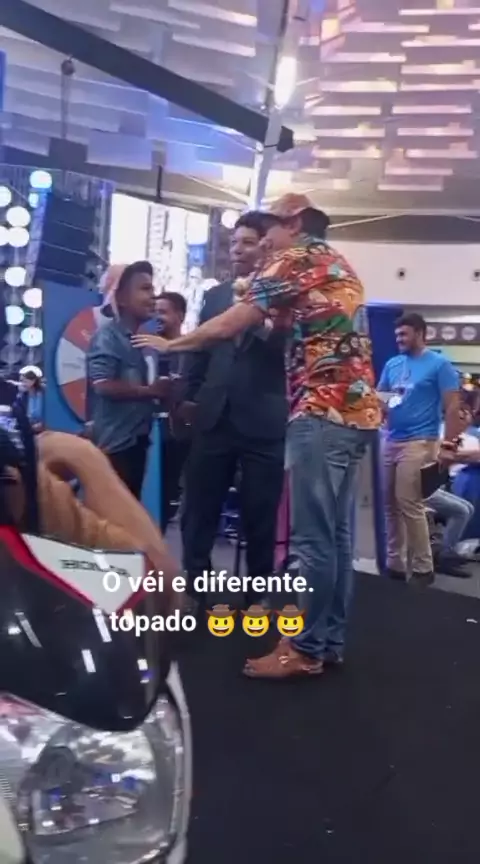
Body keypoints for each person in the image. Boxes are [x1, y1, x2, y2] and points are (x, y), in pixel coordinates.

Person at [133, 194, 381, 680]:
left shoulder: (296, 258)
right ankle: (325, 641)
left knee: (312, 540)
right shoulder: (336, 262)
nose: (262, 242)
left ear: (293, 223)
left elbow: (232, 323)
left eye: (268, 231)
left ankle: (304, 648)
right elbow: (294, 327)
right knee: (334, 538)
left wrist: (173, 342)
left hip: (320, 410)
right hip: (354, 413)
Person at [177, 212, 287, 608]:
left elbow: (285, 350)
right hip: (214, 414)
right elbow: (201, 349)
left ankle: (258, 593)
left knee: (260, 513)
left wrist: (251, 313)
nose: (237, 250)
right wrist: (188, 396)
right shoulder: (215, 296)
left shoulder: (285, 296)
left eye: (247, 242)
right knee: (198, 509)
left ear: (267, 247)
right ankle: (195, 586)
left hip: (264, 419)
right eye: (233, 242)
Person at [378, 314, 460, 587]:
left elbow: (452, 407)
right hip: (391, 439)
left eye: (404, 334)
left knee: (409, 502)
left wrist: (448, 446)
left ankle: (423, 568)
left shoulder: (439, 364)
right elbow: (381, 398)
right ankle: (395, 564)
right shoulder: (392, 364)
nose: (399, 339)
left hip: (421, 441)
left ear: (420, 333)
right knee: (389, 504)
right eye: (397, 335)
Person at [86, 261, 169, 499]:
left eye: (152, 289)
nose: (153, 296)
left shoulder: (135, 339)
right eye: (144, 289)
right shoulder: (108, 337)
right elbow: (102, 385)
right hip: (115, 448)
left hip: (134, 444)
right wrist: (150, 391)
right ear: (120, 298)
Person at [156, 291, 190, 532]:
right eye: (154, 312)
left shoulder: (193, 351)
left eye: (163, 312)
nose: (157, 317)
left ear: (180, 316)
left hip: (178, 437)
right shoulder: (144, 349)